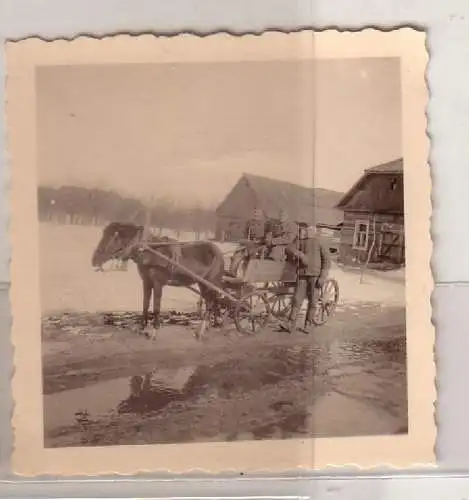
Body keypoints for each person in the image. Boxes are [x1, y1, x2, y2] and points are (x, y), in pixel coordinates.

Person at [279, 224, 331, 333]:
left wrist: (323, 276)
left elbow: (327, 261)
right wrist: (298, 253)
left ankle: (308, 324)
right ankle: (290, 323)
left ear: (315, 232)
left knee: (312, 301)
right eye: (307, 230)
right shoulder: (301, 242)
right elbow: (288, 248)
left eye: (311, 230)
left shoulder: (320, 242)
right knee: (297, 299)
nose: (308, 232)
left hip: (315, 276)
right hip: (302, 274)